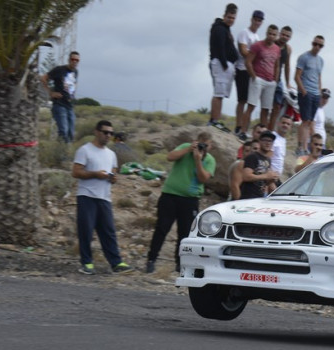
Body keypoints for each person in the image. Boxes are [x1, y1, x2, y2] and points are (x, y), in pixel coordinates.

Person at [145, 132, 216, 273]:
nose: (203, 147)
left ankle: (180, 263)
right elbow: (169, 157)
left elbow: (203, 179)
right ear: (196, 141)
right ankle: (151, 259)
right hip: (170, 195)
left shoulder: (209, 160)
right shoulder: (186, 147)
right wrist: (188, 149)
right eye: (201, 143)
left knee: (184, 233)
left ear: (211, 146)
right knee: (161, 228)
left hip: (190, 199)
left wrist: (198, 160)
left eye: (206, 145)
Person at [71, 120, 133, 275]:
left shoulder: (111, 154)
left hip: (104, 197)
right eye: (105, 132)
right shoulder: (85, 150)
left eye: (111, 133)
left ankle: (116, 263)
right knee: (86, 231)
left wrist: (112, 178)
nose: (108, 136)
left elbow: (113, 172)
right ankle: (87, 263)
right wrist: (95, 174)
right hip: (87, 196)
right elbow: (76, 172)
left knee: (108, 231)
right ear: (96, 132)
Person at [241, 24, 281, 141]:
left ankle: (264, 134)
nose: (271, 36)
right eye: (270, 33)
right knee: (251, 106)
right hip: (258, 78)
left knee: (266, 109)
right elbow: (248, 61)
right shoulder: (257, 46)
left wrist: (276, 79)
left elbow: (277, 65)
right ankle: (243, 131)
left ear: (276, 36)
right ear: (266, 33)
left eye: (274, 34)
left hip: (270, 81)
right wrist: (253, 76)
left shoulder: (277, 49)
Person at [208, 3, 238, 133]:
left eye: (233, 18)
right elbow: (219, 48)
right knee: (218, 93)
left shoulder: (226, 28)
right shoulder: (219, 28)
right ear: (224, 15)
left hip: (226, 64)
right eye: (229, 17)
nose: (231, 20)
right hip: (220, 63)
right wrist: (225, 64)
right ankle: (213, 121)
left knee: (221, 94)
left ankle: (216, 120)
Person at [234, 10, 263, 137]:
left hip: (252, 71)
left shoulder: (257, 38)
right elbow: (243, 51)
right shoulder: (244, 33)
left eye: (259, 20)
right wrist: (255, 57)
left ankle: (244, 128)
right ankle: (238, 126)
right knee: (242, 100)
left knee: (250, 101)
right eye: (256, 19)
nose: (257, 22)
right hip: (242, 68)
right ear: (252, 19)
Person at [295, 35, 325, 156]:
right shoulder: (304, 57)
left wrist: (319, 91)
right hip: (306, 91)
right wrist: (303, 91)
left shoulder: (321, 60)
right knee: (305, 120)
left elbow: (318, 77)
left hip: (315, 93)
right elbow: (297, 76)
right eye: (315, 44)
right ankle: (300, 147)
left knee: (310, 121)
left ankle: (305, 147)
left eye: (320, 45)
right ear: (312, 43)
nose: (317, 47)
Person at [41, 51, 80, 143]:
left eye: (77, 60)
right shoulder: (59, 70)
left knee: (71, 133)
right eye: (72, 59)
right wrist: (50, 93)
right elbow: (43, 78)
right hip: (59, 104)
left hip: (69, 105)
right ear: (69, 60)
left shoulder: (76, 72)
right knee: (64, 131)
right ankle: (61, 153)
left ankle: (66, 153)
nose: (74, 62)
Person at [268, 26, 293, 132]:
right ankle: (263, 129)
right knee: (265, 107)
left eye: (287, 36)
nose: (284, 37)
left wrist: (288, 83)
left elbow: (287, 66)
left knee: (277, 107)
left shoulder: (288, 49)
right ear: (279, 34)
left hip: (278, 80)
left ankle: (271, 131)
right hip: (268, 77)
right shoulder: (273, 44)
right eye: (283, 34)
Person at [240, 130, 279, 199]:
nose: (268, 143)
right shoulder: (252, 157)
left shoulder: (268, 159)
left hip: (260, 197)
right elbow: (246, 176)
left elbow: (266, 180)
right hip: (248, 196)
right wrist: (266, 176)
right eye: (265, 140)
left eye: (270, 141)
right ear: (259, 141)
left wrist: (271, 179)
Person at [270, 115, 292, 182]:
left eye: (288, 124)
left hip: (277, 178)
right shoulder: (272, 137)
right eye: (283, 123)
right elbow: (267, 158)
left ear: (290, 127)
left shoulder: (283, 140)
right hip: (270, 177)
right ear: (278, 123)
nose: (285, 125)